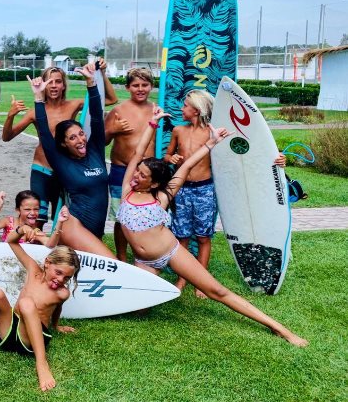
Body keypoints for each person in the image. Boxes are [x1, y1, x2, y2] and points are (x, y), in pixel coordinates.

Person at [118, 108, 308, 347]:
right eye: (137, 171)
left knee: (217, 292)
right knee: (137, 310)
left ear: (154, 183)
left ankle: (280, 329)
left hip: (171, 252)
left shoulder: (162, 198)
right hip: (144, 262)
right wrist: (151, 124)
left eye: (142, 175)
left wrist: (211, 143)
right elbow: (137, 153)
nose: (135, 176)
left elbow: (186, 167)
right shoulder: (127, 190)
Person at [4, 63, 118, 230]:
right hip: (42, 169)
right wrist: (10, 116)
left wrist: (102, 73)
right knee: (37, 218)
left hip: (66, 172)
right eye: (49, 82)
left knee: (62, 218)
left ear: (64, 85)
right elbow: (7, 137)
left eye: (58, 81)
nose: (54, 85)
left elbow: (111, 100)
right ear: (43, 85)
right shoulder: (35, 111)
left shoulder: (73, 105)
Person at [0, 241, 81, 392]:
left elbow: (56, 309)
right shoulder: (33, 270)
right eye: (58, 272)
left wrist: (55, 326)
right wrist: (22, 230)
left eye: (67, 278)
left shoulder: (62, 293)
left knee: (26, 303)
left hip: (30, 340)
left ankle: (41, 363)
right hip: (9, 332)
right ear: (47, 263)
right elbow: (12, 241)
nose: (61, 280)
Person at [29, 63, 114, 246]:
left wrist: (91, 82)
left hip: (95, 231)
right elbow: (44, 131)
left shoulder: (95, 151)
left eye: (81, 134)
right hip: (76, 227)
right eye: (72, 138)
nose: (80, 140)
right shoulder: (62, 163)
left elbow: (97, 117)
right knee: (110, 260)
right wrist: (38, 97)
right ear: (63, 143)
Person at [163, 90, 216, 297]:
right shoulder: (178, 130)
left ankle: (201, 282)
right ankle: (182, 279)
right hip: (181, 189)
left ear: (197, 110)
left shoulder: (212, 133)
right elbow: (167, 155)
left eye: (185, 106)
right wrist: (171, 158)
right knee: (182, 236)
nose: (181, 108)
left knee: (203, 237)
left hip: (204, 190)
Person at [105, 67, 156, 261]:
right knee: (121, 216)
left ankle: (143, 253)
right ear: (127, 87)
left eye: (145, 85)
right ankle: (121, 255)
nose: (140, 89)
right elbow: (103, 141)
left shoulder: (156, 110)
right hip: (121, 170)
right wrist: (113, 129)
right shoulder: (118, 111)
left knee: (145, 213)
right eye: (135, 85)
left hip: (147, 173)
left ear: (151, 86)